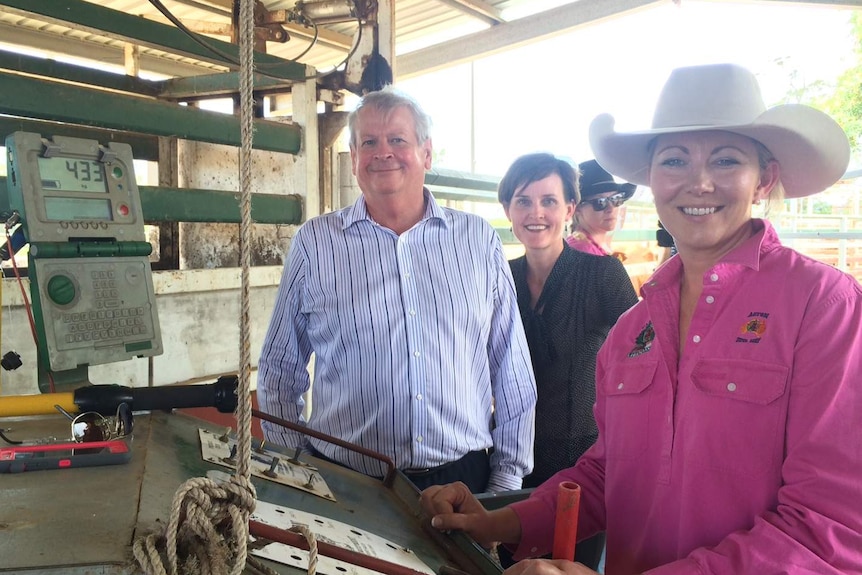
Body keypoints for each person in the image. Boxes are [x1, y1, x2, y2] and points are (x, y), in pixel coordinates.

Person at [420, 63, 862, 574]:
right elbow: (609, 476)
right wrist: (497, 522)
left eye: (725, 159)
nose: (698, 182)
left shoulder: (823, 306)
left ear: (763, 178)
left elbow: (829, 530)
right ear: (652, 179)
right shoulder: (633, 331)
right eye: (674, 161)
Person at [257, 86, 537, 495]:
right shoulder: (316, 244)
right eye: (369, 142)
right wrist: (294, 464)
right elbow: (280, 367)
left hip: (462, 482)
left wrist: (506, 478)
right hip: (346, 481)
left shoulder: (477, 240)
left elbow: (510, 364)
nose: (383, 152)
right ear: (353, 159)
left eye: (398, 140)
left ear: (426, 153)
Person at [497, 153, 638, 568]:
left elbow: (647, 357)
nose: (535, 213)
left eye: (549, 201)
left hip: (583, 463)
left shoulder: (603, 276)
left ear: (569, 209)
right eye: (523, 201)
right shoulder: (499, 277)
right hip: (510, 456)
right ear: (507, 210)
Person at [565, 159, 635, 260]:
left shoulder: (593, 246)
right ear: (578, 208)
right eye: (600, 202)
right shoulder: (583, 252)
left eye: (616, 199)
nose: (611, 208)